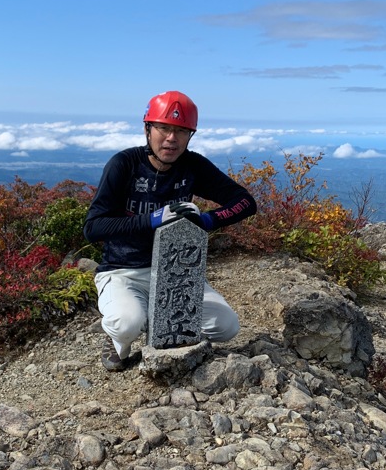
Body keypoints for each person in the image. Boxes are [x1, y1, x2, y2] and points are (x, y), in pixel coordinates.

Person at [83, 90, 257, 371]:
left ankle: (158, 321)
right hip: (123, 271)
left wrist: (206, 222)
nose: (171, 138)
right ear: (147, 129)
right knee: (126, 324)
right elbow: (93, 228)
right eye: (163, 128)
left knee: (227, 327)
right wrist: (151, 220)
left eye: (181, 131)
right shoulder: (124, 165)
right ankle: (121, 337)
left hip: (178, 272)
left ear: (190, 136)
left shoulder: (192, 166)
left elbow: (245, 202)